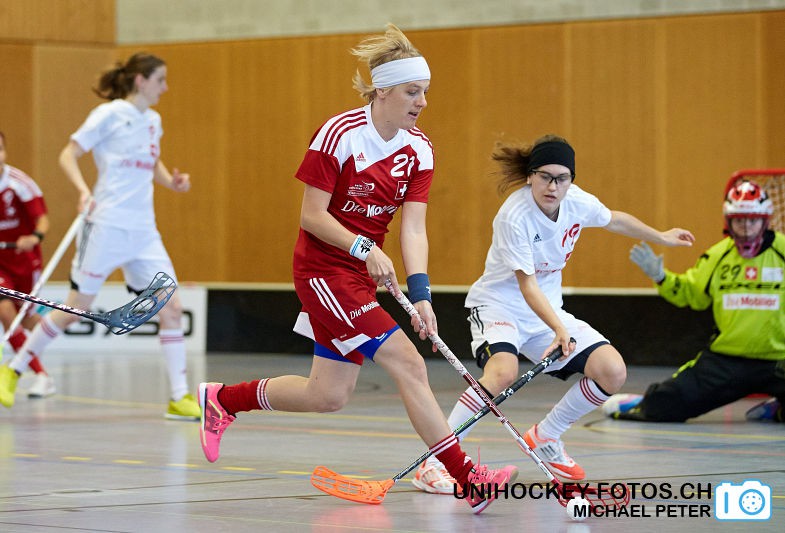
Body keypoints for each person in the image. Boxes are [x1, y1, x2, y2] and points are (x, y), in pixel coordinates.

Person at [197, 24, 517, 514]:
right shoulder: (340, 135)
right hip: (323, 271)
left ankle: (223, 399)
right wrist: (365, 245)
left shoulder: (421, 149)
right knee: (408, 363)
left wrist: (423, 294)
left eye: (425, 92)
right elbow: (311, 216)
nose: (422, 102)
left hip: (359, 276)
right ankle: (467, 476)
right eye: (413, 91)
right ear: (383, 89)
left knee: (326, 395)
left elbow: (414, 229)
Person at [413, 135, 695, 494]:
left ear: (571, 180)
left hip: (545, 314)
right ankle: (435, 462)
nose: (553, 186)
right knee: (502, 372)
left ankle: (546, 436)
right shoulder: (514, 217)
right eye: (545, 176)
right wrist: (559, 328)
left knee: (612, 371)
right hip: (499, 306)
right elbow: (527, 285)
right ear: (530, 176)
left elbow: (614, 219)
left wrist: (662, 236)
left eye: (562, 178)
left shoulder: (576, 202)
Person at [0, 53, 199, 420]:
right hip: (105, 223)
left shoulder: (154, 120)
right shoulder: (108, 115)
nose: (165, 88)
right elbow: (68, 154)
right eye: (161, 80)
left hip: (144, 231)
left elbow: (151, 162)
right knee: (77, 308)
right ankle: (13, 369)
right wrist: (81, 190)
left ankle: (178, 396)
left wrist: (171, 181)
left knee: (170, 306)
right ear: (140, 80)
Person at [603, 180, 785, 423]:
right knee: (665, 406)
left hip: (779, 360)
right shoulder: (718, 256)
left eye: (753, 220)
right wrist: (661, 277)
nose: (747, 227)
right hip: (727, 361)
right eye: (739, 221)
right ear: (729, 222)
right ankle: (644, 401)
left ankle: (777, 407)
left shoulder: (781, 252)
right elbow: (692, 294)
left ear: (765, 221)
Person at [0, 131, 56, 398]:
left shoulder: (19, 183)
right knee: (6, 313)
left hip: (25, 261)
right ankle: (39, 374)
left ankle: (53, 324)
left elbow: (42, 220)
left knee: (28, 318)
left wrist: (34, 237)